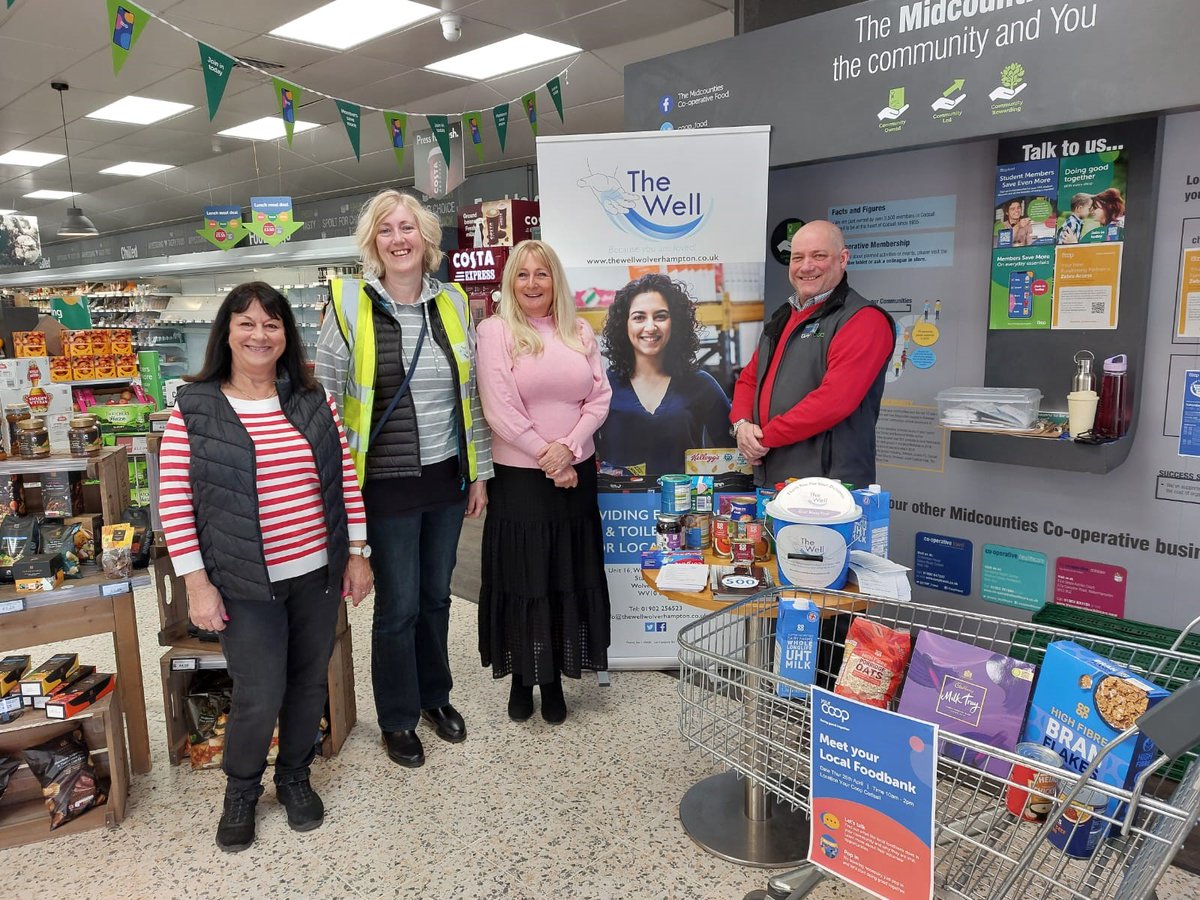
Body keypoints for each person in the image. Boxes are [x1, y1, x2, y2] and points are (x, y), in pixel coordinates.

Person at [158, 282, 371, 852]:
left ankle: (295, 776)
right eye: (247, 323)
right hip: (243, 580)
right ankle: (242, 789)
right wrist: (196, 586)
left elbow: (343, 480)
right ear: (226, 331)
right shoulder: (195, 405)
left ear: (286, 334)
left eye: (271, 324)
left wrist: (357, 553)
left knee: (307, 682)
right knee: (258, 688)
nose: (259, 334)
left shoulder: (312, 397)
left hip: (316, 571)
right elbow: (174, 502)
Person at [315, 189, 493, 769]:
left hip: (445, 477)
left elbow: (471, 396)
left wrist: (479, 474)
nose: (399, 238)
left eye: (408, 228)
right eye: (387, 229)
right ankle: (396, 715)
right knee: (398, 607)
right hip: (385, 485)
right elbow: (328, 405)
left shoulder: (455, 304)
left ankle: (434, 698)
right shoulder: (348, 303)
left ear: (426, 240)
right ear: (374, 243)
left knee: (436, 597)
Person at [476, 240, 612, 723]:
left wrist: (570, 448)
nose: (533, 284)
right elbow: (499, 407)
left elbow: (599, 399)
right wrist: (547, 456)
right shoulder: (494, 331)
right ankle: (521, 676)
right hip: (521, 479)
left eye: (542, 274)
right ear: (510, 283)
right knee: (523, 578)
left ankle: (553, 678)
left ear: (556, 280)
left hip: (576, 475)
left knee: (564, 575)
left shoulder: (578, 330)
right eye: (522, 275)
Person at [731, 220, 895, 489]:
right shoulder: (783, 317)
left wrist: (763, 438)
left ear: (843, 259)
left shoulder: (863, 320)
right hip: (772, 476)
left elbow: (834, 401)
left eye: (819, 256)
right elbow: (749, 379)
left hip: (828, 487)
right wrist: (741, 425)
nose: (806, 266)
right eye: (798, 258)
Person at [594, 272, 730, 479]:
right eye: (639, 317)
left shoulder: (701, 385)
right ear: (625, 325)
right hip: (618, 509)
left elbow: (734, 453)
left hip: (685, 507)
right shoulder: (603, 385)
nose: (650, 327)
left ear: (675, 323)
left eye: (660, 316)